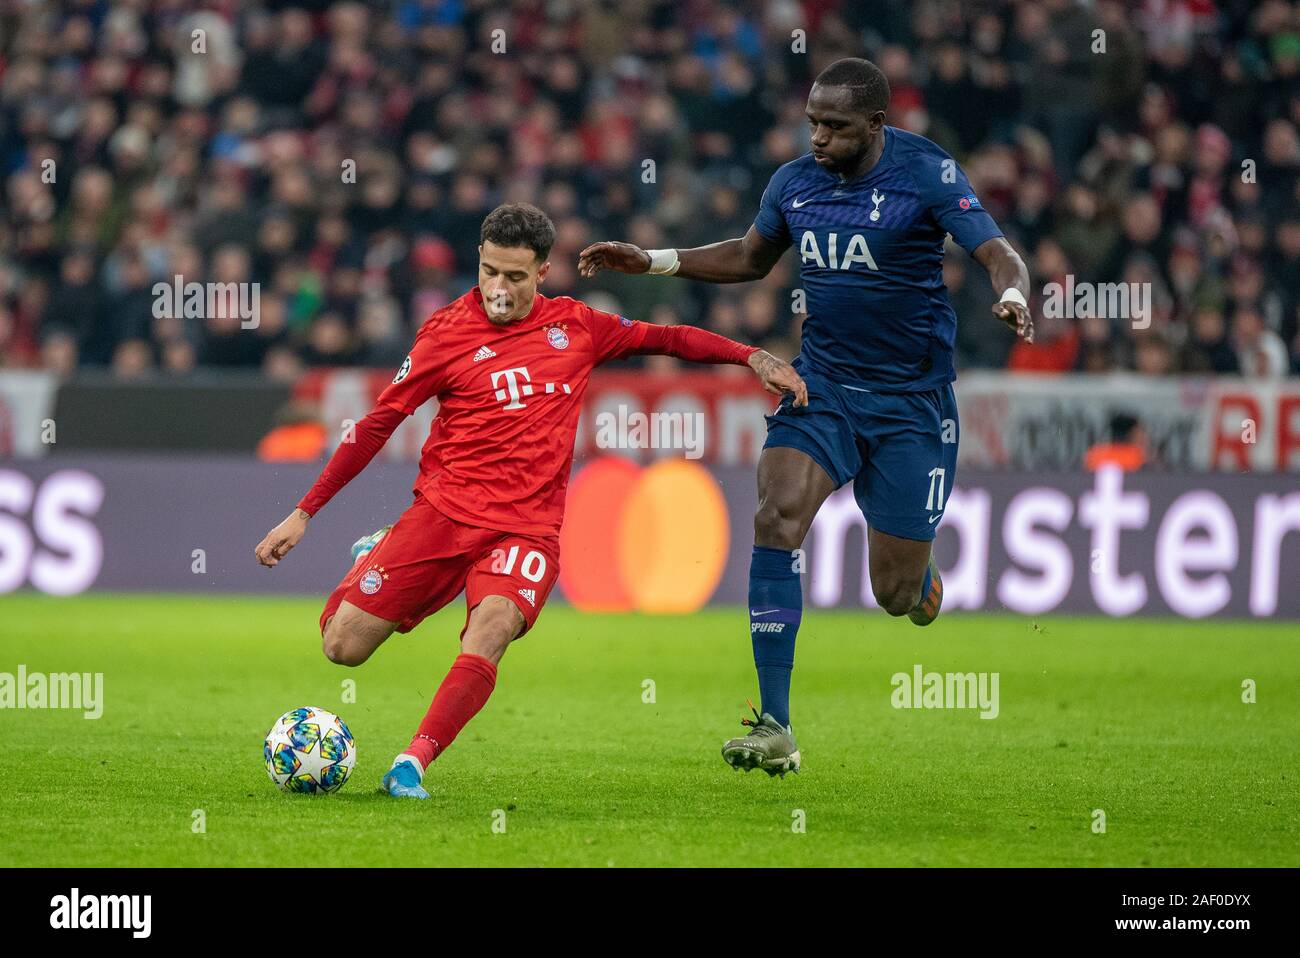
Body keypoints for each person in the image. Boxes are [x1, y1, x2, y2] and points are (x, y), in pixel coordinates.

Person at [253, 203, 806, 799]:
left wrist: (750, 355)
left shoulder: (577, 327)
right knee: (343, 647)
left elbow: (669, 338)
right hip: (442, 513)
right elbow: (377, 424)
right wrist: (305, 511)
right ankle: (381, 548)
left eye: (515, 277)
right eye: (489, 271)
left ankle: (412, 761)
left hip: (526, 529)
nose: (498, 288)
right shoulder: (444, 332)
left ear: (542, 272)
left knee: (490, 628)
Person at [578, 58, 1034, 777]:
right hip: (822, 386)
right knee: (776, 514)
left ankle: (921, 584)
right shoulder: (794, 183)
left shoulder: (926, 172)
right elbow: (750, 258)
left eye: (835, 127)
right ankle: (776, 724)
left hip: (914, 403)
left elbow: (997, 251)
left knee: (893, 593)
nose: (818, 137)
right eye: (813, 122)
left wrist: (1013, 295)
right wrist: (654, 262)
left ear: (876, 125)